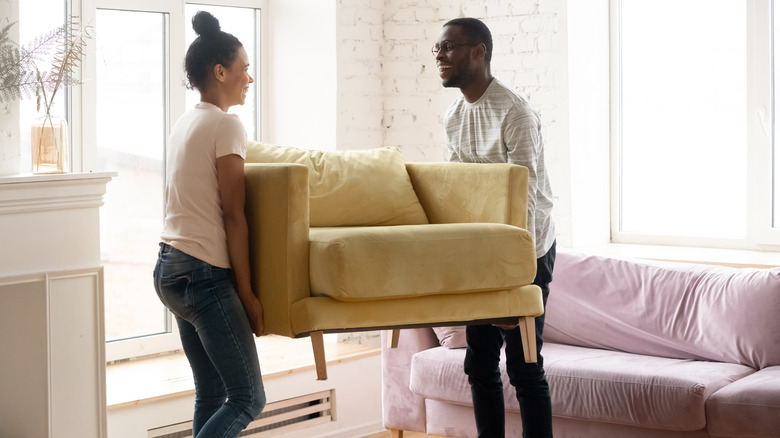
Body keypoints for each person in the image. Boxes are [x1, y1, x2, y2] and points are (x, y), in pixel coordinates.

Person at [434, 17, 557, 438]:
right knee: (479, 363)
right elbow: (456, 190)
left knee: (524, 366)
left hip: (527, 251)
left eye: (448, 47)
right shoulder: (454, 114)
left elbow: (527, 198)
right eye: (436, 49)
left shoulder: (515, 112)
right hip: (481, 251)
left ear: (478, 51)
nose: (439, 56)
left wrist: (510, 277)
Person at [153, 11, 266, 437]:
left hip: (168, 270)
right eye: (245, 69)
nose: (249, 78)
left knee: (211, 391)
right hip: (203, 275)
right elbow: (233, 215)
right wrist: (248, 293)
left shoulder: (186, 122)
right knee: (248, 397)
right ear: (220, 72)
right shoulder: (226, 124)